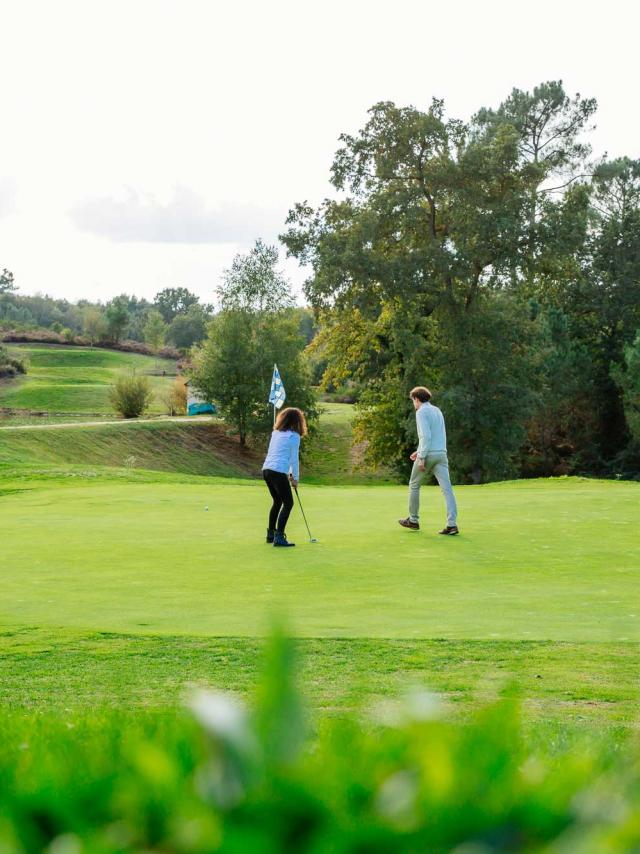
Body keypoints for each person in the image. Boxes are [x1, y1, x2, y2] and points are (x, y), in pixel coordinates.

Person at [398, 386, 459, 535]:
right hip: (441, 454)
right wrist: (419, 451)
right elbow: (436, 435)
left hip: (429, 454)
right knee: (447, 489)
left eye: (413, 400)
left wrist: (422, 457)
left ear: (416, 399)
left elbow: (426, 436)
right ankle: (452, 525)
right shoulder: (437, 410)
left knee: (414, 485)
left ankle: (413, 520)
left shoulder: (421, 412)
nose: (414, 403)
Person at [262, 406, 307, 547]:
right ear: (297, 421)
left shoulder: (275, 433)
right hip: (278, 471)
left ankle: (271, 534)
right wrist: (296, 478)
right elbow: (294, 459)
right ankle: (279, 537)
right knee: (288, 503)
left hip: (267, 470)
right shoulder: (294, 437)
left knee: (277, 501)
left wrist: (291, 476)